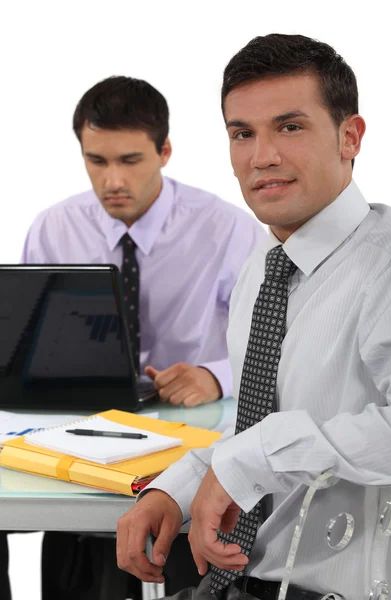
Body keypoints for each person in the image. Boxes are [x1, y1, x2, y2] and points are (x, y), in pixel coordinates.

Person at [116, 33, 391, 600]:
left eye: (289, 127)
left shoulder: (390, 264)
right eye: (242, 133)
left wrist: (254, 457)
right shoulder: (262, 272)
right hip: (243, 580)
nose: (261, 156)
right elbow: (254, 429)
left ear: (351, 137)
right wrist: (175, 488)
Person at [3, 77, 265, 600]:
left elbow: (272, 339)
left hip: (188, 440)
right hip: (80, 435)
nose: (112, 180)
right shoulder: (54, 227)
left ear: (165, 151)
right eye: (96, 161)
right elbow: (26, 343)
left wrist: (214, 374)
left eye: (129, 159)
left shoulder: (226, 228)